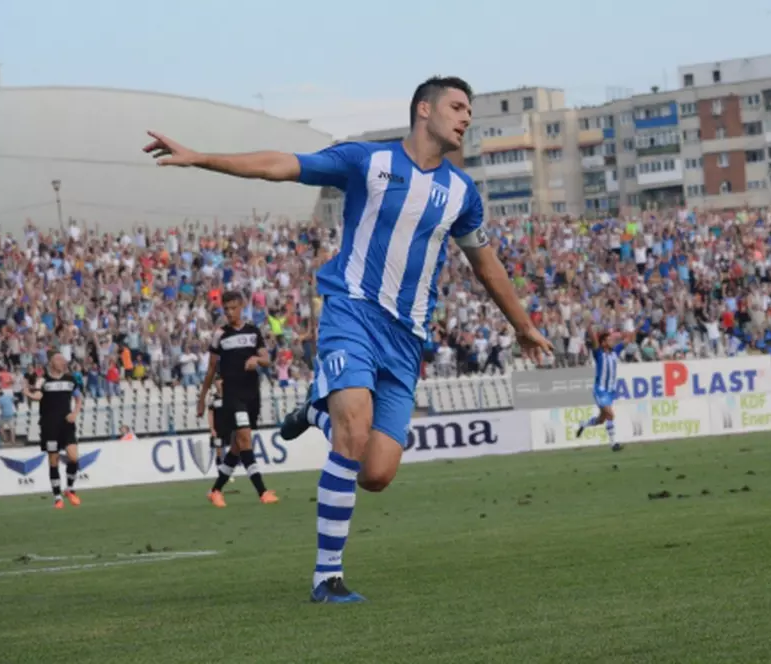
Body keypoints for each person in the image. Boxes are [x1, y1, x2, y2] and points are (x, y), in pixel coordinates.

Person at [145, 75, 552, 603]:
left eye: (469, 109)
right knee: (353, 429)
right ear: (423, 110)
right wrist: (201, 157)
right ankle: (327, 578)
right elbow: (281, 165)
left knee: (377, 473)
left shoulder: (462, 194)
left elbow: (485, 262)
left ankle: (313, 413)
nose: (466, 117)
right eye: (457, 106)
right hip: (352, 311)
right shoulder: (368, 161)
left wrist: (522, 326)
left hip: (405, 338)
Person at [199, 291, 276, 507]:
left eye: (233, 308)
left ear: (241, 306)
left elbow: (267, 359)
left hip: (252, 393)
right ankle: (262, 491)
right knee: (244, 438)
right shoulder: (219, 335)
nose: (230, 313)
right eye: (226, 309)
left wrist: (257, 360)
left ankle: (215, 490)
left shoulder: (253, 331)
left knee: (236, 446)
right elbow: (211, 368)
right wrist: (201, 398)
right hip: (232, 395)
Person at [23, 353, 83, 509]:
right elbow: (38, 395)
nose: (63, 361)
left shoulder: (70, 379)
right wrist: (28, 393)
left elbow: (78, 397)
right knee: (53, 461)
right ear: (51, 362)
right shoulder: (44, 380)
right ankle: (57, 497)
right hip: (49, 425)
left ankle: (69, 489)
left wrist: (75, 413)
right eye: (59, 359)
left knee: (74, 457)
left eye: (63, 359)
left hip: (66, 424)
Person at [575, 329, 622, 451]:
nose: (612, 342)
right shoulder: (599, 354)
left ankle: (584, 424)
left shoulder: (614, 352)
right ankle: (613, 444)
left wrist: (637, 326)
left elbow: (628, 340)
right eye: (609, 340)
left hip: (610, 391)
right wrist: (589, 326)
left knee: (601, 420)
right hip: (600, 390)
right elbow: (595, 340)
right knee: (610, 414)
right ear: (603, 343)